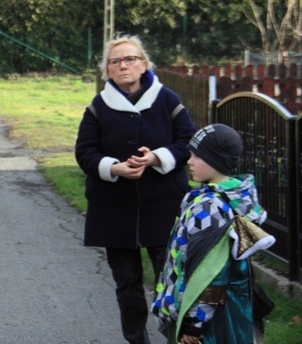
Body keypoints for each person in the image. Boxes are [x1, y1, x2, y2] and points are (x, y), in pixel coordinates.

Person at [74, 35, 197, 344]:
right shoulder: (98, 107)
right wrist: (114, 168)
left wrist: (157, 157)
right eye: (115, 61)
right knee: (127, 284)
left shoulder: (167, 100)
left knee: (170, 279)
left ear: (144, 65)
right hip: (113, 208)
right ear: (107, 70)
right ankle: (136, 340)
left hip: (164, 206)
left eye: (130, 59)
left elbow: (188, 143)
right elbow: (85, 153)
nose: (123, 65)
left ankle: (177, 336)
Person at [151, 124, 275, 344]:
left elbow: (210, 273)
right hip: (219, 311)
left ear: (217, 161)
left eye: (197, 156)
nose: (189, 161)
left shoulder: (210, 207)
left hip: (206, 321)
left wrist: (194, 322)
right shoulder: (231, 196)